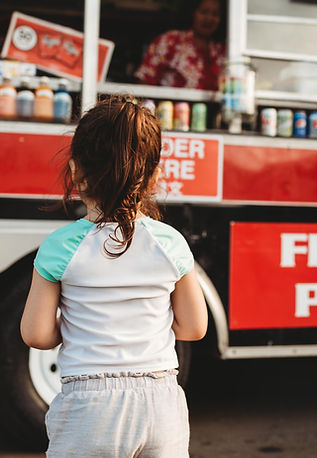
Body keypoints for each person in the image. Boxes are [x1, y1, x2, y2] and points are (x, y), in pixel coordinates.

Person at [20, 95, 208, 457]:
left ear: (75, 171)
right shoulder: (170, 243)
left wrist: (77, 328)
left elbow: (36, 334)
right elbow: (194, 328)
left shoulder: (60, 246)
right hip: (161, 402)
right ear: (154, 176)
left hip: (89, 408)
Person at [135, 0, 226, 91]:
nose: (209, 19)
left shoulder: (223, 50)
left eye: (215, 14)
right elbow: (144, 81)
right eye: (204, 12)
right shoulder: (169, 41)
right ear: (192, 13)